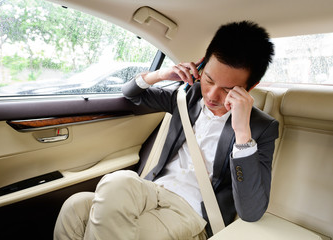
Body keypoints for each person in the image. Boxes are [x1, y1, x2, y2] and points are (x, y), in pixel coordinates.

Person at [54, 21, 278, 240]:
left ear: (251, 87)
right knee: (79, 203)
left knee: (83, 214)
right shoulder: (187, 95)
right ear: (201, 65)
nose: (211, 95)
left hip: (191, 214)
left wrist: (242, 132)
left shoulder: (261, 128)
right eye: (209, 79)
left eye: (228, 89)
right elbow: (131, 93)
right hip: (151, 190)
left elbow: (251, 211)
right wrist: (161, 75)